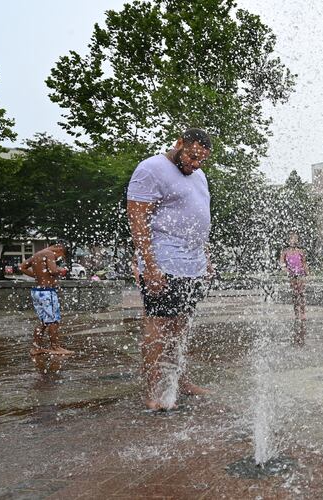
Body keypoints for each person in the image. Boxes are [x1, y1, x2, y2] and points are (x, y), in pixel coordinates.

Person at [127, 128, 213, 410]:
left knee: (181, 326)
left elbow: (200, 218)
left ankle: (181, 379)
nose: (195, 163)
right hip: (164, 262)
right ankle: (153, 391)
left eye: (201, 159)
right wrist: (150, 266)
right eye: (191, 155)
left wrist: (206, 257)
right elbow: (138, 221)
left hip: (193, 265)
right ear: (179, 144)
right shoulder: (151, 169)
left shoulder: (199, 176)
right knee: (158, 327)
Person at [19, 240, 74, 356]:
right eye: (61, 256)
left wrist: (37, 275)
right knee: (54, 321)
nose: (58, 258)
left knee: (44, 321)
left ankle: (36, 348)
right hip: (47, 292)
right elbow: (53, 270)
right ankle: (55, 347)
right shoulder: (49, 253)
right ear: (59, 249)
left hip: (37, 292)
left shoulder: (37, 254)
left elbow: (22, 267)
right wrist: (62, 270)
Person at [280, 233, 308, 344]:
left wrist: (307, 273)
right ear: (288, 241)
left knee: (301, 293)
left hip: (300, 274)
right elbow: (282, 263)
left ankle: (303, 312)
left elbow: (304, 263)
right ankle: (296, 312)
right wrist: (285, 270)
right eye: (292, 239)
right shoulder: (285, 252)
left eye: (296, 239)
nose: (294, 241)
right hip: (291, 274)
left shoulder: (301, 252)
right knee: (295, 294)